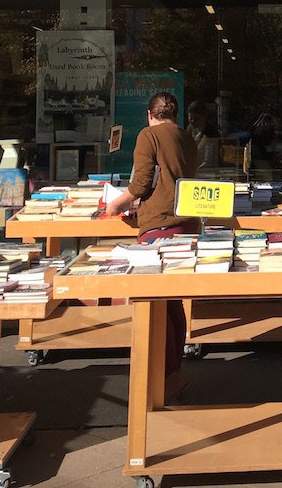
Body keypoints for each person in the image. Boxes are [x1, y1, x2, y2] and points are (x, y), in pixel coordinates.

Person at [104, 91, 198, 372]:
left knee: (155, 302)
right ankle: (173, 366)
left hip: (159, 224)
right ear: (175, 115)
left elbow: (141, 184)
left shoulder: (149, 136)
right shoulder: (186, 137)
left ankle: (160, 371)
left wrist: (114, 204)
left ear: (149, 114)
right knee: (173, 300)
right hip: (186, 220)